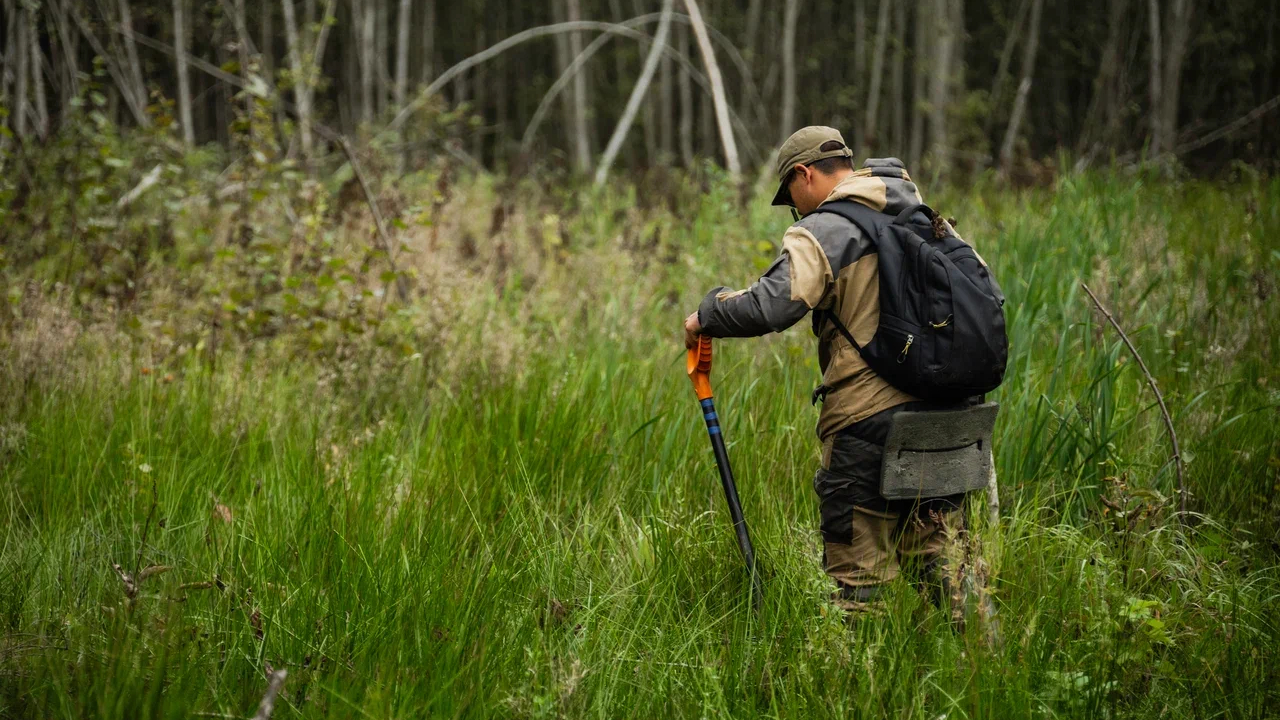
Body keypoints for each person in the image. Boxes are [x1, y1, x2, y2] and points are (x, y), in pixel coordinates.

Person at [683, 126, 983, 615]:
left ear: (803, 175)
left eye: (792, 197)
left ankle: (858, 690)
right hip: (952, 419)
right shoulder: (928, 221)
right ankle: (983, 678)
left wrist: (707, 314)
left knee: (859, 587)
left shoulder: (827, 228)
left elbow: (771, 306)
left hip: (870, 426)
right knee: (949, 570)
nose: (796, 209)